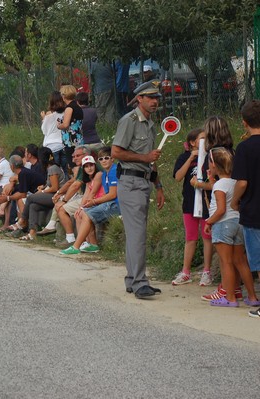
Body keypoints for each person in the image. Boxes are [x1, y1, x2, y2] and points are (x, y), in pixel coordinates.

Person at [111, 80, 165, 299]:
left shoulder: (149, 122)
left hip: (142, 182)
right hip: (131, 182)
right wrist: (144, 158)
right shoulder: (130, 120)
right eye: (150, 97)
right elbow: (115, 152)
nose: (154, 101)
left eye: (157, 98)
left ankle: (133, 280)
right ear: (139, 99)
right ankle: (140, 282)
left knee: (135, 234)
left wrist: (158, 184)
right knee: (138, 235)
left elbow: (151, 160)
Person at [202, 147, 259, 307]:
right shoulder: (234, 182)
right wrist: (213, 181)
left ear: (214, 165)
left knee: (226, 262)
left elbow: (220, 210)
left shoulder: (219, 185)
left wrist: (209, 221)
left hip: (223, 225)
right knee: (241, 261)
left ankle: (230, 298)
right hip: (238, 223)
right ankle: (252, 297)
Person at [172, 128, 213, 286]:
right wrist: (190, 158)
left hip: (206, 203)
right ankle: (186, 272)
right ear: (192, 142)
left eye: (206, 139)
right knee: (190, 238)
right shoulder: (184, 157)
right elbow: (177, 177)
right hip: (189, 203)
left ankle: (207, 271)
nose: (205, 141)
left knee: (207, 237)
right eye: (201, 138)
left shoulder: (210, 156)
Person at [60, 147, 120, 254]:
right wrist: (82, 207)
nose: (104, 161)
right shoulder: (105, 173)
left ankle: (77, 246)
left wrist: (94, 202)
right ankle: (90, 244)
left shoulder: (110, 171)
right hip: (109, 202)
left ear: (112, 159)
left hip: (116, 204)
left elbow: (112, 194)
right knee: (81, 213)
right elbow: (89, 194)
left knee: (86, 214)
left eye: (107, 158)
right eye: (101, 159)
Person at [231, 100, 260, 317]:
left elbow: (242, 182)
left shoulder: (244, 148)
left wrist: (234, 201)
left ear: (244, 122)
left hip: (253, 211)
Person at [6, 147, 66, 240]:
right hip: (53, 195)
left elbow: (55, 187)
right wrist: (43, 187)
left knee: (31, 198)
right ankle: (32, 232)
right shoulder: (51, 168)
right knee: (33, 206)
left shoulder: (52, 169)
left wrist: (42, 191)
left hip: (58, 196)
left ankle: (22, 220)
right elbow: (50, 184)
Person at [56, 85, 84, 176]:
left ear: (64, 96)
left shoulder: (69, 108)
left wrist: (59, 126)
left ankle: (78, 185)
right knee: (80, 163)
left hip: (70, 141)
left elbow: (66, 124)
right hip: (79, 138)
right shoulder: (78, 107)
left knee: (73, 164)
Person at [40, 91, 66, 168]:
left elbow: (44, 130)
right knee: (65, 170)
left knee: (55, 171)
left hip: (52, 147)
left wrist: (43, 119)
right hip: (63, 144)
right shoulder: (67, 113)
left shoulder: (49, 115)